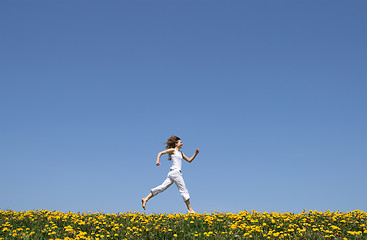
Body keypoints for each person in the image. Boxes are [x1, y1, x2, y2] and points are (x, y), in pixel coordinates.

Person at [141, 136, 199, 214]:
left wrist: (195, 154)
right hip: (175, 173)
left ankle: (146, 198)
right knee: (183, 190)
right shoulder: (173, 150)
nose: (182, 143)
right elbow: (160, 153)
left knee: (162, 187)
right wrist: (157, 161)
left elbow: (189, 160)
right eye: (180, 142)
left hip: (173, 173)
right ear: (176, 144)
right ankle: (190, 209)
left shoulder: (181, 153)